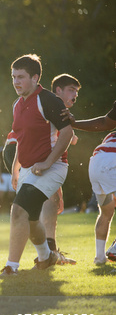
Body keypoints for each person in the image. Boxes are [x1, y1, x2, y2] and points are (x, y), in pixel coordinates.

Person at [0, 54, 72, 276]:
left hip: (54, 167)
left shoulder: (48, 100)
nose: (16, 82)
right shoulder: (17, 105)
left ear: (35, 77)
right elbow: (21, 140)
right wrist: (15, 168)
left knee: (18, 210)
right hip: (29, 169)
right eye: (13, 77)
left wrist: (49, 162)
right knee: (30, 220)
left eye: (21, 77)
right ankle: (46, 256)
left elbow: (67, 133)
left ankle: (11, 267)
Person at [63, 98, 116, 264]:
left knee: (106, 212)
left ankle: (99, 258)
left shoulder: (110, 135)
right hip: (113, 161)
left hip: (97, 161)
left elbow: (105, 122)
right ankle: (114, 248)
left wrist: (74, 123)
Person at [37, 74, 81, 264]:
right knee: (44, 209)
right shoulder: (52, 106)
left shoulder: (61, 112)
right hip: (44, 165)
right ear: (58, 91)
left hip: (51, 167)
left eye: (76, 91)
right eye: (71, 89)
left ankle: (50, 253)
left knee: (52, 207)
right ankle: (45, 255)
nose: (75, 95)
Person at [0, 138, 15, 215]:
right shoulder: (0, 151)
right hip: (3, 175)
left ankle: (9, 211)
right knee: (1, 193)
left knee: (11, 194)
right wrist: (0, 175)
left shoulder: (14, 150)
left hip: (11, 174)